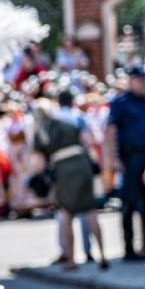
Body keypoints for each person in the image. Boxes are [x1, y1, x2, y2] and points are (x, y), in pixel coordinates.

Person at [33, 98, 107, 270]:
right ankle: (102, 255)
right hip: (82, 165)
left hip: (63, 170)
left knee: (66, 213)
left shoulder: (41, 133)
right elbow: (86, 141)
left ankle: (71, 259)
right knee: (90, 210)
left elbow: (39, 163)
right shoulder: (67, 123)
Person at [107, 65, 145, 260]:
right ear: (131, 80)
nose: (143, 82)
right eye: (139, 79)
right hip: (130, 158)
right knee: (129, 203)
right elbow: (112, 132)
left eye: (144, 79)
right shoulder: (121, 102)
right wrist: (113, 159)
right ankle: (129, 247)